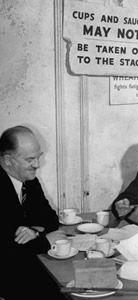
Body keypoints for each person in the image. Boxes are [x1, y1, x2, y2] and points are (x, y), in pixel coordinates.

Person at [0, 125, 67, 299]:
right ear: (8, 161)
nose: (37, 165)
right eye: (30, 159)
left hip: (26, 263)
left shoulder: (30, 181)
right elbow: (7, 252)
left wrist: (34, 232)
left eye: (39, 157)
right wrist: (45, 240)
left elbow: (51, 220)